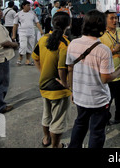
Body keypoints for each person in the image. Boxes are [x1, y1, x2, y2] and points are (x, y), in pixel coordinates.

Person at [66, 10, 120, 148]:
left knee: (80, 124)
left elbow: (70, 69)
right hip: (98, 100)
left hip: (80, 96)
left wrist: (72, 90)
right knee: (97, 131)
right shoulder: (103, 50)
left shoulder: (73, 43)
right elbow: (106, 78)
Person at [32, 12, 72, 148]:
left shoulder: (43, 39)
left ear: (52, 23)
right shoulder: (65, 44)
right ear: (69, 25)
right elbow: (62, 68)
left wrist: (42, 72)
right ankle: (56, 146)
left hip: (44, 85)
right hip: (59, 89)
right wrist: (66, 84)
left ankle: (46, 138)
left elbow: (35, 57)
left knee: (46, 114)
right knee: (58, 119)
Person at [12, 0, 44, 66]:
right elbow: (15, 25)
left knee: (30, 46)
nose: (29, 7)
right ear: (23, 6)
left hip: (31, 32)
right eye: (28, 5)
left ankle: (28, 60)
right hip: (22, 32)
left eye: (30, 5)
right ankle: (20, 59)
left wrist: (41, 31)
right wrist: (13, 35)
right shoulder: (18, 14)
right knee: (23, 46)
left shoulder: (32, 13)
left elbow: (37, 23)